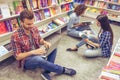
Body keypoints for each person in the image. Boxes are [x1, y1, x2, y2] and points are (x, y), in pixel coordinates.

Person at [11, 10, 76, 80]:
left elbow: (39, 40)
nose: (31, 26)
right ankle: (62, 70)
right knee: (38, 60)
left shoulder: (34, 28)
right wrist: (33, 52)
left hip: (37, 53)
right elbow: (18, 57)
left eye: (32, 23)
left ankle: (47, 72)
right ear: (21, 22)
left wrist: (45, 42)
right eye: (28, 24)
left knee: (53, 48)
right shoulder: (15, 36)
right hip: (26, 60)